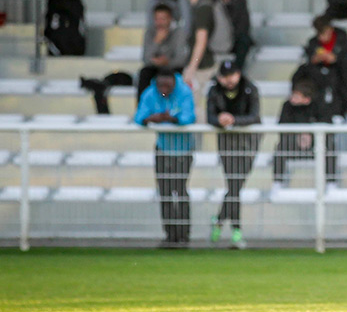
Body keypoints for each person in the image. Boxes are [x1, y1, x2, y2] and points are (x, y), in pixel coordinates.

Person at [134, 70, 196, 248]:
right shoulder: (150, 93)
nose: (164, 90)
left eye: (167, 87)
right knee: (165, 192)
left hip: (184, 149)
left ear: (173, 83)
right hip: (163, 148)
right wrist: (150, 119)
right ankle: (170, 235)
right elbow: (138, 117)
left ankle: (184, 235)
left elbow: (189, 117)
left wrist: (171, 119)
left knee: (180, 191)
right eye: (161, 86)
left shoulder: (184, 92)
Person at [206, 59, 261, 250]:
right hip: (227, 143)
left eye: (232, 75)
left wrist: (233, 120)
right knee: (234, 185)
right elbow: (210, 116)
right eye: (225, 76)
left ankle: (220, 219)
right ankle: (236, 231)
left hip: (248, 143)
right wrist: (219, 120)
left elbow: (255, 116)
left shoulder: (250, 88)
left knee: (235, 185)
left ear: (238, 74)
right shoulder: (214, 91)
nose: (229, 80)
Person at [272, 80, 336, 188]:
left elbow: (328, 125)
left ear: (307, 99)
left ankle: (331, 183)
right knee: (280, 147)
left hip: (316, 144)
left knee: (330, 146)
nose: (292, 98)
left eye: (296, 96)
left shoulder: (319, 105)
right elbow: (282, 126)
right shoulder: (287, 106)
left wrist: (311, 135)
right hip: (293, 144)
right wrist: (298, 136)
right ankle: (277, 183)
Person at [300, 15, 347, 118]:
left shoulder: (342, 39)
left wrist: (335, 59)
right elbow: (308, 59)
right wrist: (315, 59)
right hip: (320, 74)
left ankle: (345, 109)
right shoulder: (313, 43)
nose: (322, 37)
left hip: (339, 73)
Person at [139, 4, 189, 96]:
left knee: (181, 74)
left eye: (163, 19)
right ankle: (143, 107)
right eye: (157, 19)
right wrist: (156, 42)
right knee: (144, 73)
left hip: (173, 68)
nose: (160, 22)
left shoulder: (178, 33)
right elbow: (145, 59)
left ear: (170, 19)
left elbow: (181, 59)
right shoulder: (150, 33)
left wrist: (167, 62)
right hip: (156, 68)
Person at [210, 0, 254, 69]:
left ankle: (236, 73)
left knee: (244, 41)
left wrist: (229, 37)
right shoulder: (211, 3)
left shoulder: (239, 2)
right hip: (216, 40)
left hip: (235, 39)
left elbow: (243, 26)